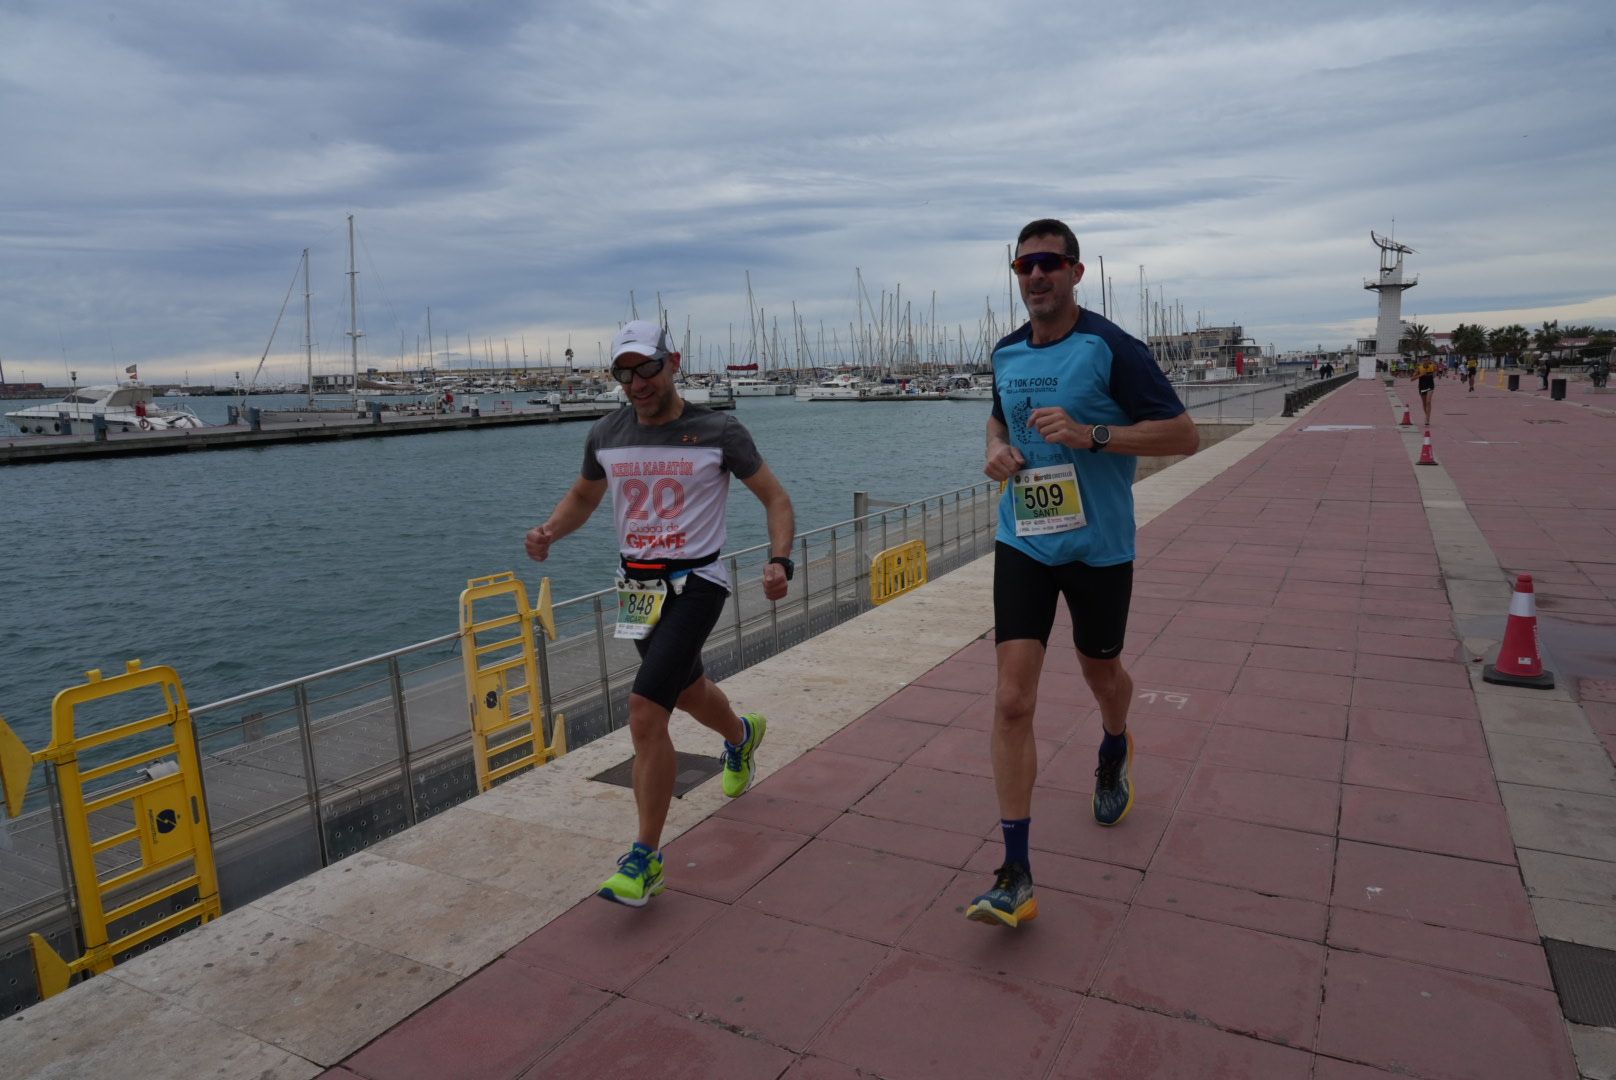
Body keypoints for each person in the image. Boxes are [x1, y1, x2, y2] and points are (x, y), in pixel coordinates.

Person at [969, 219, 1199, 928]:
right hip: (1026, 542)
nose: (1034, 276)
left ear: (1074, 272)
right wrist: (997, 450)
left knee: (1102, 673)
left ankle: (1113, 743)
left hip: (1099, 547)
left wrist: (1094, 434)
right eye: (1023, 266)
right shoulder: (1006, 352)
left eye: (1047, 263)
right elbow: (998, 422)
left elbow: (1183, 435)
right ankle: (1015, 870)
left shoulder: (1112, 349)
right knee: (1011, 700)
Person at [524, 320, 795, 907]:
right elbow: (583, 497)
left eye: (646, 368)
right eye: (624, 372)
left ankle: (644, 859)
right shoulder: (606, 433)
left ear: (673, 361)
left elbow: (775, 496)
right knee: (689, 689)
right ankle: (741, 736)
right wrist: (551, 530)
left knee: (647, 710)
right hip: (637, 589)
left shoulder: (718, 429)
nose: (637, 383)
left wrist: (779, 560)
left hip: (697, 582)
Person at [1413, 356, 1438, 425]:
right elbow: (1412, 378)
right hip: (1422, 387)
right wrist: (1420, 375)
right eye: (1424, 360)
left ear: (1429, 361)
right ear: (1422, 361)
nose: (1426, 362)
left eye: (1427, 360)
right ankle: (1427, 416)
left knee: (1428, 401)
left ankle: (1427, 419)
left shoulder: (1432, 366)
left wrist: (1435, 374)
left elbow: (1436, 371)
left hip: (1430, 386)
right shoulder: (1419, 368)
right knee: (1424, 403)